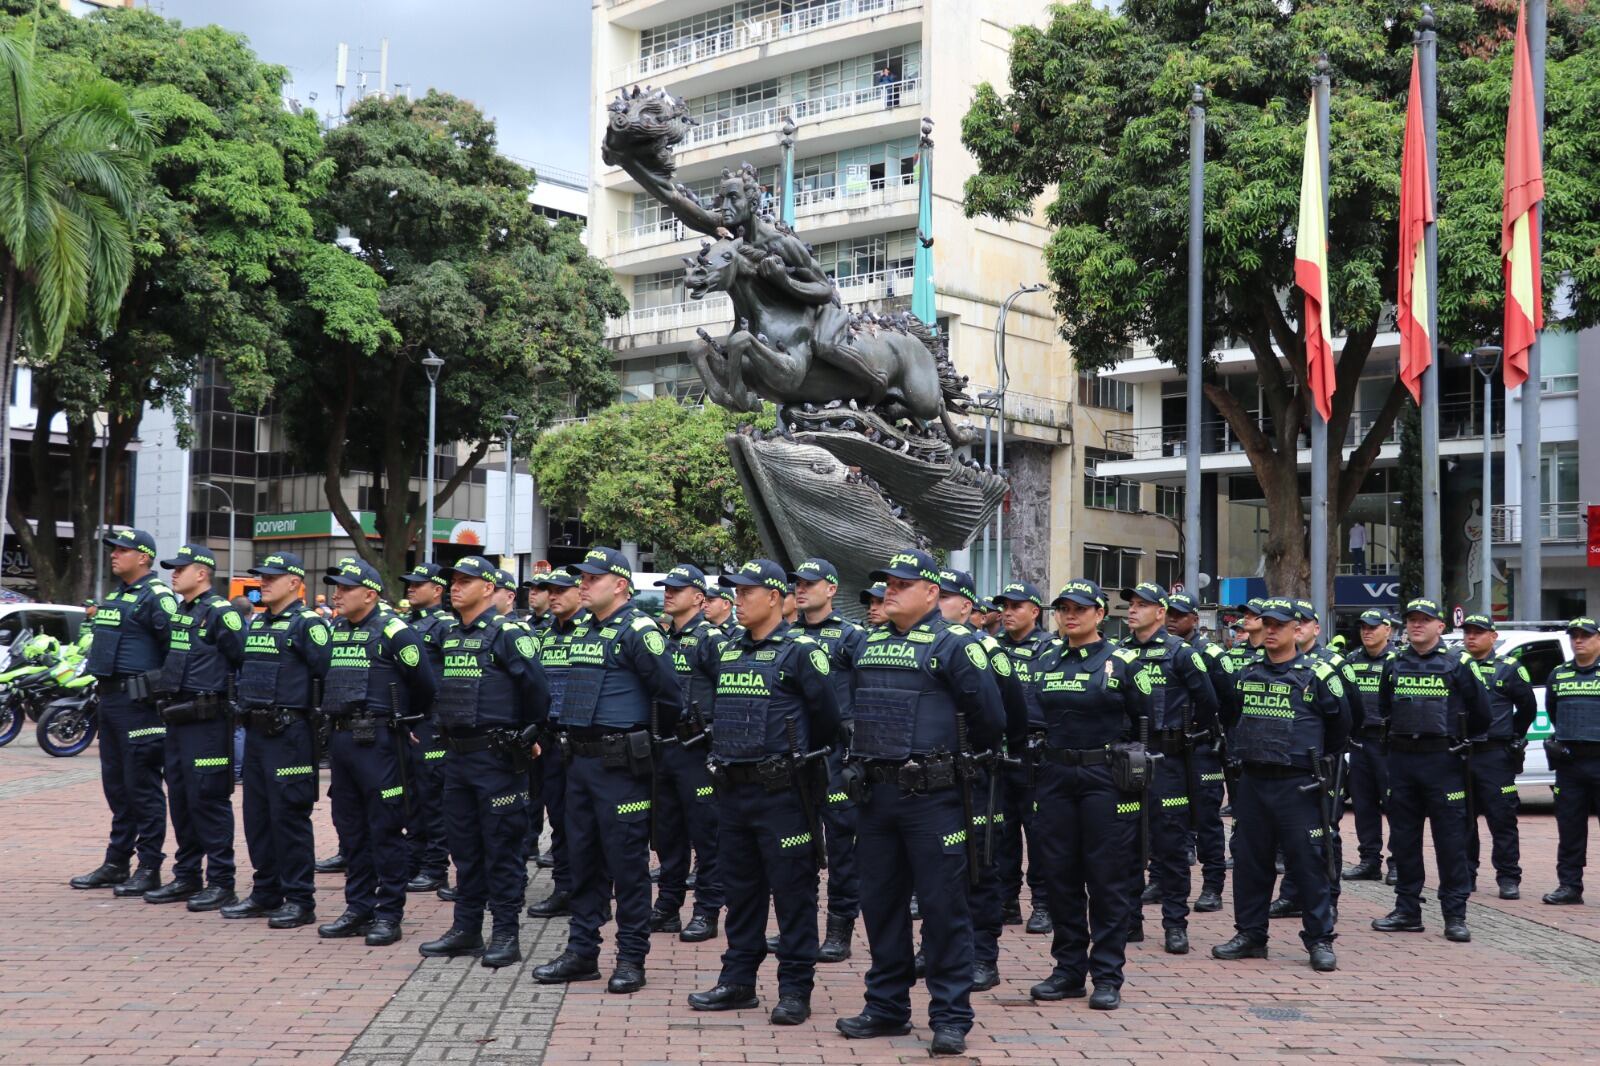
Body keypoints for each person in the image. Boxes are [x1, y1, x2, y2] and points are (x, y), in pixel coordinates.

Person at [835, 549, 1005, 1058]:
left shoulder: (956, 645)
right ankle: (886, 1007)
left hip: (933, 797)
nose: (890, 590)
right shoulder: (866, 644)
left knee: (942, 909)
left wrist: (950, 765)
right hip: (876, 795)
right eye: (888, 583)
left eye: (902, 584)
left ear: (932, 593)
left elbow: (991, 719)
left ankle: (950, 1017)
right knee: (881, 907)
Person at [687, 559, 842, 1025]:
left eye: (746, 592)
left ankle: (795, 989)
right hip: (733, 792)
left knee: (793, 895)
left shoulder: (800, 652)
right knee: (741, 892)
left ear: (774, 596)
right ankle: (738, 982)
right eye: (734, 592)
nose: (737, 600)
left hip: (783, 795)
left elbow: (828, 721)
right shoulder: (728, 649)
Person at [534, 547, 682, 994]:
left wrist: (643, 744)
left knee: (627, 863)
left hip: (621, 765)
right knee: (583, 859)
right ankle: (582, 952)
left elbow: (670, 696)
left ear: (619, 584)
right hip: (578, 760)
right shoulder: (583, 629)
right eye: (582, 576)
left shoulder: (639, 630)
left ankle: (631, 958)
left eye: (592, 578)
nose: (583, 583)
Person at [418, 555, 549, 967]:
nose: (455, 587)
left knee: (503, 849)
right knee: (465, 848)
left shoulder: (508, 633)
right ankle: (466, 929)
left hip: (496, 760)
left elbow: (538, 693)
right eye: (453, 580)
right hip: (458, 758)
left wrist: (527, 737)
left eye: (465, 581)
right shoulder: (451, 634)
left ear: (489, 588)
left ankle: (506, 934)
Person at [1212, 598, 1349, 972]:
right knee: (1249, 862)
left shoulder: (1318, 674)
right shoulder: (1247, 673)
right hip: (1254, 781)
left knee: (1308, 863)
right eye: (1265, 623)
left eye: (1279, 624)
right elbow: (1232, 716)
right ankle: (1251, 934)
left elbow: (1340, 730)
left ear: (1295, 628)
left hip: (1299, 785)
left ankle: (1319, 939)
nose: (1270, 630)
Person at [1028, 580, 1145, 1008]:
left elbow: (1147, 718)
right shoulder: (1046, 659)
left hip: (1105, 777)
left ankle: (1108, 975)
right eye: (1063, 609)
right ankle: (1069, 970)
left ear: (1100, 614)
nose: (1070, 615)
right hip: (1057, 774)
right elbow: (1031, 715)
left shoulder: (1122, 661)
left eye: (1079, 608)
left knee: (1106, 877)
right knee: (1059, 875)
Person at [316, 559, 437, 947]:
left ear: (369, 594)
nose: (337, 594)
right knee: (350, 830)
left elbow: (425, 687)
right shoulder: (336, 629)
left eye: (345, 588)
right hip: (343, 742)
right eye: (335, 587)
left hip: (381, 743)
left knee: (385, 829)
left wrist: (407, 725)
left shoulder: (395, 633)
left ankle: (388, 914)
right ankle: (358, 908)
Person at [221, 552, 331, 928]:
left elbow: (329, 674)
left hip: (290, 734)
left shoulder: (308, 625)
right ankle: (265, 892)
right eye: (261, 577)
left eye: (272, 577)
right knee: (258, 818)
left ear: (295, 583)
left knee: (289, 817)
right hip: (256, 732)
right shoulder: (259, 624)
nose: (263, 582)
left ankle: (300, 899)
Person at [1371, 597, 1490, 942]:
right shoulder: (1394, 664)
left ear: (1441, 626)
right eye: (1412, 620)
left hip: (1444, 762)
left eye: (1425, 619)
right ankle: (1407, 910)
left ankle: (1455, 914)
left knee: (1451, 842)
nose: (1417, 625)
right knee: (1404, 841)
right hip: (1404, 760)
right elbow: (1384, 708)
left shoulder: (1457, 664)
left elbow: (1481, 712)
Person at [935, 568, 1029, 992]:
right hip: (934, 775)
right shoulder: (920, 645)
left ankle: (983, 956)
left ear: (966, 605)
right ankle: (935, 950)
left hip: (978, 773)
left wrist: (995, 754)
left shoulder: (988, 650)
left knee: (981, 865)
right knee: (935, 868)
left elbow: (1013, 714)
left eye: (947, 596)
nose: (938, 602)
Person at [71, 529, 176, 896]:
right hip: (111, 702)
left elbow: (177, 653)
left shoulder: (158, 597)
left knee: (142, 787)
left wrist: (157, 692)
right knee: (117, 787)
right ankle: (117, 862)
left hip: (140, 706)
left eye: (123, 550)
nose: (114, 555)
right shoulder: (118, 596)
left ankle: (149, 867)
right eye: (113, 550)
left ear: (144, 557)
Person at [142, 544, 245, 910]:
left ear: (201, 573)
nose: (173, 573)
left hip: (208, 721)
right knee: (182, 798)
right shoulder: (182, 612)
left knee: (209, 799)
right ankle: (187, 876)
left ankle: (221, 881)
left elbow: (242, 658)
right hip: (179, 719)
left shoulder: (221, 613)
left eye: (180, 568)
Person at [1119, 582, 1219, 954]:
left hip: (1170, 758)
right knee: (1127, 842)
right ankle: (1130, 921)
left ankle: (1175, 923)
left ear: (1160, 613)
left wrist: (1186, 735)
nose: (1132, 610)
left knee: (1172, 843)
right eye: (1131, 604)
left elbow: (1208, 702)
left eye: (1142, 605)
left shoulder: (1181, 653)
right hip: (1130, 759)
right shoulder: (1120, 653)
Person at [789, 557, 868, 962]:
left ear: (831, 589)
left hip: (838, 753)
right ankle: (799, 931)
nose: (801, 589)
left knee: (841, 846)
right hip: (796, 751)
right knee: (797, 846)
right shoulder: (786, 636)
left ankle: (840, 930)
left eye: (810, 583)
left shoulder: (852, 636)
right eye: (797, 583)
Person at [650, 564, 726, 942]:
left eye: (677, 589)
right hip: (666, 747)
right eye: (667, 588)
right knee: (667, 833)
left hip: (698, 749)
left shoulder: (711, 639)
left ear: (699, 597)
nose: (669, 594)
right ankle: (667, 906)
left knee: (706, 834)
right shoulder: (663, 637)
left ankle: (707, 910)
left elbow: (728, 694)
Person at [1165, 592, 1234, 914]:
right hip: (1168, 748)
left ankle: (1212, 885)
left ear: (1195, 619)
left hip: (1203, 746)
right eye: (1169, 614)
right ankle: (1161, 878)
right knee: (1168, 819)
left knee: (1207, 819)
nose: (1172, 620)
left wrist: (1208, 729)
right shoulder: (1159, 651)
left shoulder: (1212, 654)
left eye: (1179, 615)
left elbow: (1230, 701)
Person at [1460, 613, 1537, 900]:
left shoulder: (1509, 668)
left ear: (1493, 637)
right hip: (1463, 754)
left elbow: (1527, 707)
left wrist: (1511, 735)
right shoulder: (1456, 665)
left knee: (1501, 818)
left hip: (1495, 754)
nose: (1471, 637)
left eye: (1478, 632)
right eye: (1468, 631)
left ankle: (1508, 877)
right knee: (1462, 820)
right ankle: (1466, 875)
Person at [992, 581, 1053, 933]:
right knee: (1001, 830)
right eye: (1005, 606)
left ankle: (1042, 903)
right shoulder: (992, 646)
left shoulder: (1051, 648)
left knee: (1039, 831)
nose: (1008, 612)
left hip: (1037, 750)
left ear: (1035, 611)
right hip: (1000, 749)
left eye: (1017, 606)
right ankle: (1006, 900)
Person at [527, 568, 587, 919]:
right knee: (559, 820)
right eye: (550, 590)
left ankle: (591, 886)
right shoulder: (544, 636)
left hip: (583, 744)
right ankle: (564, 887)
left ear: (580, 593)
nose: (554, 596)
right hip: (551, 745)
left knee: (586, 822)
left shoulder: (593, 633)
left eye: (562, 590)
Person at [398, 563, 458, 895]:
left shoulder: (444, 626)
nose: (410, 588)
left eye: (417, 584)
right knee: (413, 797)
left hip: (432, 723)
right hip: (410, 722)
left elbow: (450, 680)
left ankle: (435, 867)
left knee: (433, 797)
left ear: (437, 589)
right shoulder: (408, 624)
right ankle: (415, 859)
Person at [1541, 616, 1600, 906]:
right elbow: (1553, 711)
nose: (1578, 641)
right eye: (1574, 636)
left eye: (1585, 636)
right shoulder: (1559, 674)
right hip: (1570, 763)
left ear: (1598, 639)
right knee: (1570, 827)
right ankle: (1569, 885)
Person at [1342, 609, 1397, 883]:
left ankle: (1397, 862)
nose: (1367, 631)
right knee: (1363, 805)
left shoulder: (1398, 661)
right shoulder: (1351, 660)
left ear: (1388, 630)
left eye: (1373, 627)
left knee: (1395, 805)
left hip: (1388, 744)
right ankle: (1369, 861)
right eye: (1363, 627)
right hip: (1360, 742)